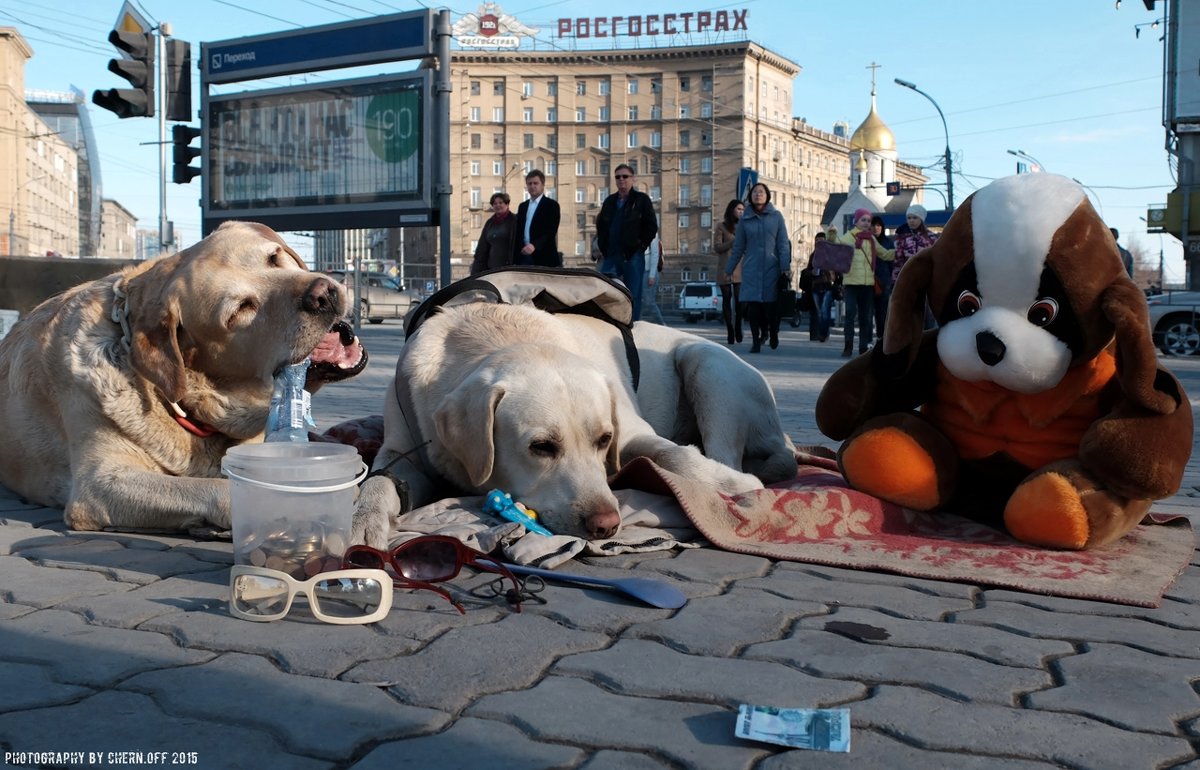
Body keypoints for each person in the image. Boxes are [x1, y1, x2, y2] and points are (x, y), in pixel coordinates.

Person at [726, 182, 790, 353]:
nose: (758, 195)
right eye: (755, 192)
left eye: (761, 192)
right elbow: (738, 247)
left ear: (767, 195)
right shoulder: (745, 220)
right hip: (752, 268)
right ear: (750, 196)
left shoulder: (776, 217)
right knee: (754, 307)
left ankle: (773, 332)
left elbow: (783, 243)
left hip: (772, 268)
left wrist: (785, 266)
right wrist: (729, 269)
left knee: (770, 307)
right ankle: (755, 341)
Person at [596, 164, 659, 322]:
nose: (621, 180)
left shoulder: (641, 200)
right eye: (617, 177)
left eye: (625, 176)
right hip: (611, 255)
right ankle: (609, 325)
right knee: (604, 291)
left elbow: (651, 226)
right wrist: (603, 248)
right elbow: (601, 226)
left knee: (632, 294)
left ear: (633, 179)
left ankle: (632, 327)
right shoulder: (610, 201)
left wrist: (640, 246)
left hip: (632, 256)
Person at [830, 208, 893, 357]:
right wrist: (832, 233)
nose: (866, 223)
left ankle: (863, 347)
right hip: (851, 283)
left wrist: (901, 251)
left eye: (868, 221)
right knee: (850, 314)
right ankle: (848, 345)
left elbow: (885, 253)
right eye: (863, 220)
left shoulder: (871, 239)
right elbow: (836, 246)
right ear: (856, 221)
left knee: (866, 317)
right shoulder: (849, 237)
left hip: (867, 285)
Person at [893, 204, 940, 329]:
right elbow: (898, 261)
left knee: (928, 315)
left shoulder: (931, 238)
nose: (911, 221)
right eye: (909, 218)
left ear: (921, 219)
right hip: (908, 282)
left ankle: (927, 342)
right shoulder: (902, 238)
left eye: (914, 217)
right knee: (910, 314)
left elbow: (937, 260)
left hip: (927, 282)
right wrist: (896, 281)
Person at [713, 199, 745, 344]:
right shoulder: (722, 226)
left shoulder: (745, 226)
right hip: (725, 267)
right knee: (727, 298)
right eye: (738, 209)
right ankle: (730, 329)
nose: (741, 212)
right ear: (732, 210)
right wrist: (733, 241)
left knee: (740, 300)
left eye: (743, 210)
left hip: (741, 267)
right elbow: (717, 247)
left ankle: (738, 324)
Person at [515, 170, 561, 267]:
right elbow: (519, 231)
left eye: (536, 183)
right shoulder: (523, 206)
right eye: (529, 183)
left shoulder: (551, 205)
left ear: (543, 185)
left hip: (544, 257)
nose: (532, 186)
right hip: (524, 257)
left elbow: (551, 231)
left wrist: (534, 245)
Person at [469, 192, 517, 275]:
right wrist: (476, 269)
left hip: (509, 268)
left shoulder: (515, 220)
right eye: (495, 203)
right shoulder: (490, 223)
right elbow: (482, 247)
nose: (498, 205)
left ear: (507, 204)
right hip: (492, 269)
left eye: (501, 203)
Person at [800, 232, 835, 342]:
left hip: (827, 286)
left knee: (825, 312)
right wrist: (811, 272)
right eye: (817, 240)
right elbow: (809, 270)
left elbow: (835, 271)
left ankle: (824, 334)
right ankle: (814, 335)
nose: (819, 242)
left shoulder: (830, 255)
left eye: (821, 240)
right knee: (815, 312)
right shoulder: (813, 255)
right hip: (815, 286)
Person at [871, 214, 895, 341]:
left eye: (878, 225)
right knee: (869, 312)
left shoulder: (888, 242)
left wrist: (892, 281)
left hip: (884, 281)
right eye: (873, 225)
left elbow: (892, 263)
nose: (876, 228)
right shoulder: (865, 241)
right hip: (868, 281)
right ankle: (869, 339)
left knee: (882, 312)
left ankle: (882, 336)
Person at [642, 239, 666, 324]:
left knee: (649, 302)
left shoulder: (652, 235)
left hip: (648, 272)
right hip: (638, 271)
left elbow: (655, 255)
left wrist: (652, 275)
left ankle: (661, 324)